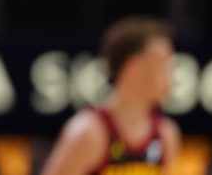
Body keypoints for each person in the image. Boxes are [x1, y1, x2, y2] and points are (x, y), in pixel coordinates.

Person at [41, 16, 181, 175]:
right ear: (133, 67)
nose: (172, 76)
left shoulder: (166, 134)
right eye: (163, 63)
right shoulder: (88, 132)